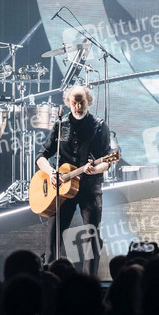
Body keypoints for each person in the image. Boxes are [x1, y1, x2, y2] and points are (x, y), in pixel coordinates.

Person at [36, 85, 113, 276]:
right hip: (62, 188)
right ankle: (51, 279)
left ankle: (89, 282)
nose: (78, 107)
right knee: (53, 237)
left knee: (92, 238)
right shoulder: (61, 125)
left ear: (88, 102)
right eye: (74, 103)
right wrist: (51, 172)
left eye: (81, 102)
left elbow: (108, 159)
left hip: (90, 187)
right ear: (68, 103)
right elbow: (41, 156)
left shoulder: (99, 126)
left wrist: (95, 169)